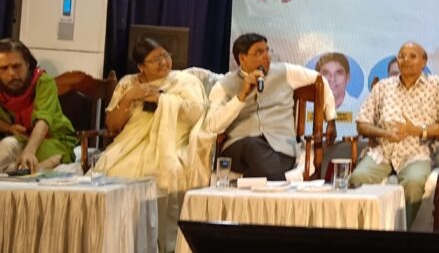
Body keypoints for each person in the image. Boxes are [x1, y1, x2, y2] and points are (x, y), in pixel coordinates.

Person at [91, 38, 206, 252]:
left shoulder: (184, 81)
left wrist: (162, 100)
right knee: (113, 171)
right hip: (129, 145)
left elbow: (196, 112)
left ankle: (160, 244)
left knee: (163, 172)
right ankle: (122, 240)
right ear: (141, 66)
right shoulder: (128, 83)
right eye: (155, 60)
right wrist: (129, 97)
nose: (163, 62)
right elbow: (113, 124)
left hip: (171, 143)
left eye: (165, 55)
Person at [349, 42, 439, 227]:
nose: (406, 60)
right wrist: (383, 132)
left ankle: (401, 233)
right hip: (383, 152)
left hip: (418, 152)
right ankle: (365, 233)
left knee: (413, 183)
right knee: (358, 178)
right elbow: (361, 124)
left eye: (412, 56)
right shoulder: (383, 86)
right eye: (401, 56)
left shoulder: (437, 85)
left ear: (424, 61)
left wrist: (417, 130)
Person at [205, 33, 335, 180]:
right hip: (239, 148)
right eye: (259, 53)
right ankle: (278, 186)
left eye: (267, 50)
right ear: (242, 58)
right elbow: (213, 126)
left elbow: (320, 80)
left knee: (261, 166)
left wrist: (331, 119)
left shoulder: (285, 72)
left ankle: (253, 181)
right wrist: (241, 96)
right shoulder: (224, 85)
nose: (267, 57)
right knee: (252, 146)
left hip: (281, 148)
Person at [0, 39, 76, 173]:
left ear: (28, 64)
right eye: (4, 68)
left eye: (16, 66)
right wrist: (9, 128)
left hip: (54, 140)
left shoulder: (43, 82)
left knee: (28, 163)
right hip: (21, 140)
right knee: (7, 146)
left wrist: (29, 151)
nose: (11, 73)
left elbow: (43, 120)